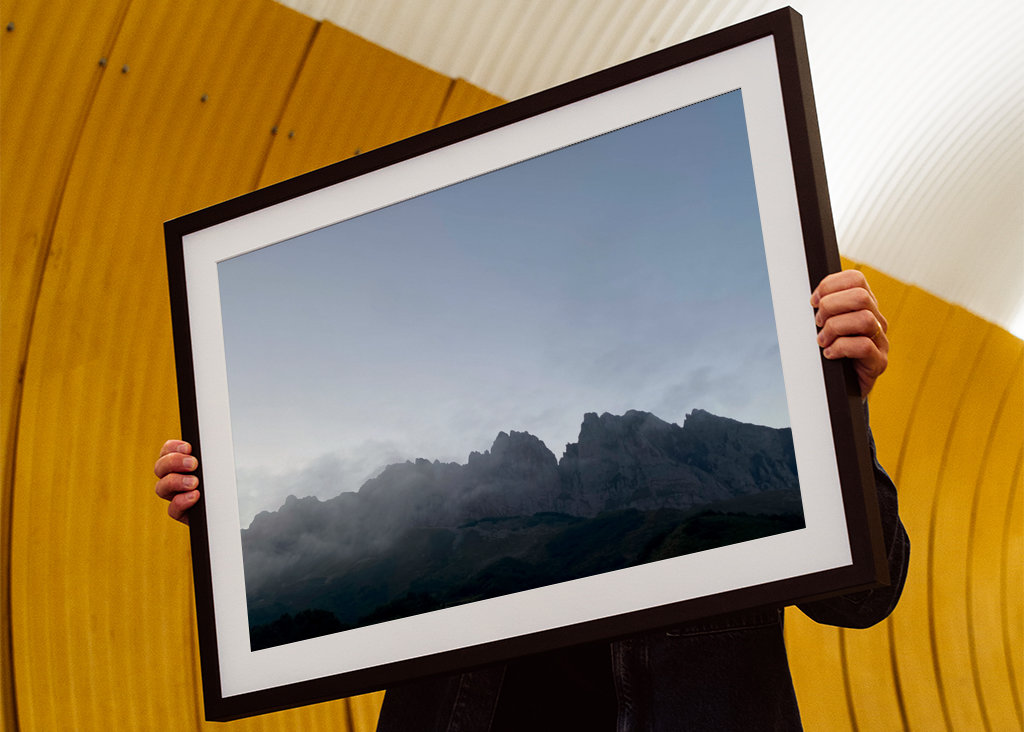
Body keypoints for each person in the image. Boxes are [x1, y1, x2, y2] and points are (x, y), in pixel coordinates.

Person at [154, 270, 909, 731]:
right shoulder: (423, 509)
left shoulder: (769, 455)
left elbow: (866, 597)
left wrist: (842, 408)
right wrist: (232, 529)